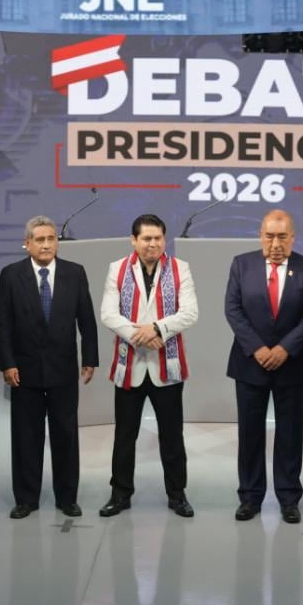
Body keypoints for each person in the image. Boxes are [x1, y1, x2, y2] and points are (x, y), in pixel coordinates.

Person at [0, 215, 99, 519]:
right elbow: (2, 324)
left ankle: (67, 497)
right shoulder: (10, 275)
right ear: (27, 244)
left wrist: (90, 358)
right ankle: (26, 498)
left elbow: (87, 320)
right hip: (23, 372)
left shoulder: (75, 273)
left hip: (63, 370)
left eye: (51, 238)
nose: (46, 244)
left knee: (65, 434)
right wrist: (7, 363)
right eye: (39, 239)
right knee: (26, 436)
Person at [223, 209, 303, 524]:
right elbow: (233, 309)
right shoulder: (242, 264)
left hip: (291, 365)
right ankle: (250, 497)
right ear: (260, 236)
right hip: (250, 364)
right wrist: (258, 348)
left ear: (293, 237)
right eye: (270, 236)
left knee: (290, 434)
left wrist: (284, 349)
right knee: (250, 434)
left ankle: (289, 497)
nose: (276, 243)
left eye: (282, 236)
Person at [99, 213, 200, 518]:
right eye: (146, 238)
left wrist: (155, 329)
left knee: (172, 435)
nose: (152, 244)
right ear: (134, 240)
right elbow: (107, 313)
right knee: (124, 435)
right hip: (128, 365)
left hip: (166, 367)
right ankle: (120, 493)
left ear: (164, 240)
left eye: (157, 238)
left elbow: (190, 313)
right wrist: (138, 335)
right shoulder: (117, 269)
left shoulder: (180, 268)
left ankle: (177, 493)